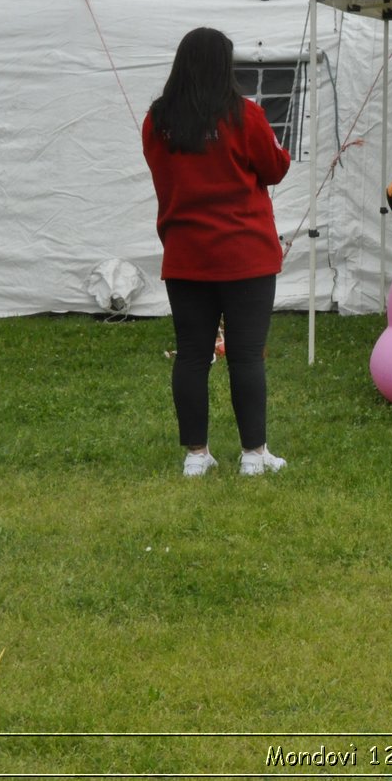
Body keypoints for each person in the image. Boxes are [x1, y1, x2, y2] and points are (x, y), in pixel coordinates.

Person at [141, 27, 291, 477]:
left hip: (186, 253)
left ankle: (196, 454)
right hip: (246, 253)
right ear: (223, 66)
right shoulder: (244, 115)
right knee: (246, 355)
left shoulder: (158, 120)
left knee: (192, 355)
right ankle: (253, 454)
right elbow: (275, 167)